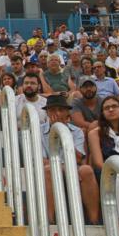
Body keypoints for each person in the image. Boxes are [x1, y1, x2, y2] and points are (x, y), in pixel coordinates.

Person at [41, 94, 100, 224]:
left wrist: (63, 133)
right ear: (47, 113)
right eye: (52, 110)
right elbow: (42, 160)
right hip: (52, 168)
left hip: (73, 167)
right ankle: (49, 221)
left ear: (67, 112)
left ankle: (94, 221)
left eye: (61, 110)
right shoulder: (38, 131)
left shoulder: (76, 131)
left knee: (86, 170)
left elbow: (79, 157)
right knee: (48, 170)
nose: (57, 113)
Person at [87, 95, 119, 171]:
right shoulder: (94, 134)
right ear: (103, 113)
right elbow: (98, 163)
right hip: (106, 174)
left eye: (114, 106)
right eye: (106, 108)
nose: (111, 109)